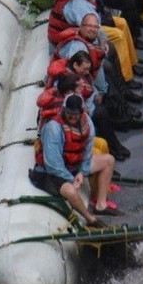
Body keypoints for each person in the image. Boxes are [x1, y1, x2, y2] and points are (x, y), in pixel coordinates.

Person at [29, 93, 122, 224]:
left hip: (73, 165)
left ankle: (101, 205)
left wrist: (82, 172)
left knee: (108, 161)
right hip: (50, 173)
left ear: (81, 112)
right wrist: (72, 179)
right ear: (64, 110)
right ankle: (91, 219)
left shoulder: (86, 122)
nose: (72, 117)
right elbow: (53, 165)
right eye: (69, 113)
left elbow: (87, 149)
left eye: (76, 114)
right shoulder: (53, 128)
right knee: (71, 191)